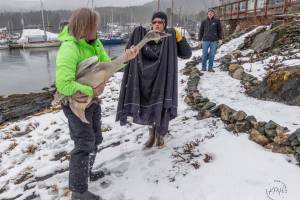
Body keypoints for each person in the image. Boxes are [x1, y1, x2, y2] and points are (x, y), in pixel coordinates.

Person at [55, 8, 138, 200]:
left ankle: (86, 173)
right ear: (84, 26)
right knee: (84, 143)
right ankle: (78, 191)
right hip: (75, 105)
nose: (98, 29)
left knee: (96, 139)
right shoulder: (69, 48)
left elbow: (108, 66)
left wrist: (126, 58)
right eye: (95, 26)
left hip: (92, 102)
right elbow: (64, 85)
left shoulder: (95, 42)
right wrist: (91, 90)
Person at [116, 11, 192, 149]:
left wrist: (180, 38)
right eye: (154, 22)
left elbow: (187, 54)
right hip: (145, 81)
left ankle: (160, 135)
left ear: (165, 24)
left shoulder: (170, 39)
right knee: (148, 108)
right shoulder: (143, 37)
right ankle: (151, 134)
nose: (157, 25)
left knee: (161, 107)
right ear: (151, 24)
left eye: (160, 22)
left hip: (163, 81)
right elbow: (128, 53)